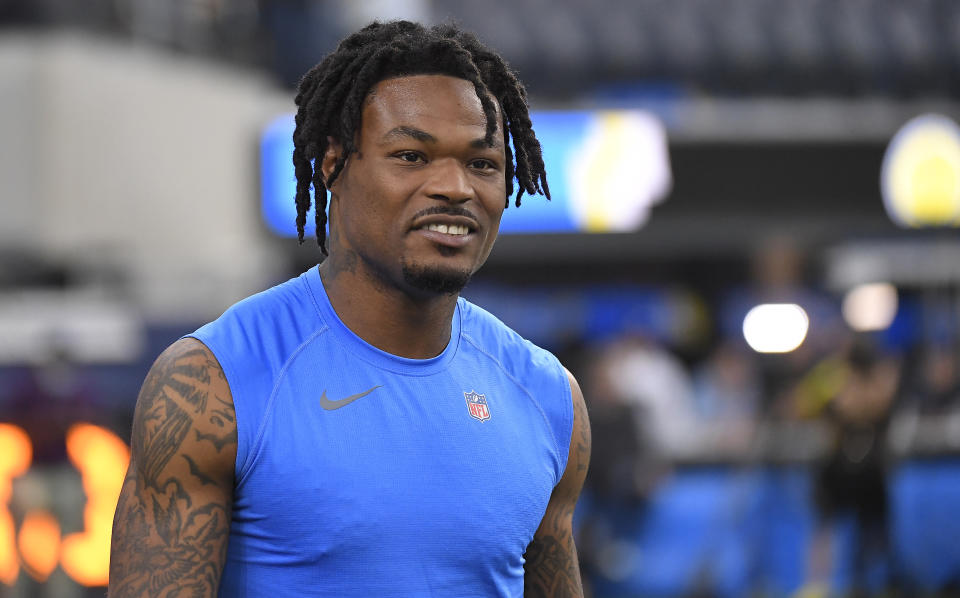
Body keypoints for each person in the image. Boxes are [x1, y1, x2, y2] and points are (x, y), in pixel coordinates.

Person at [107, 20, 591, 598]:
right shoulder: (211, 383)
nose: (456, 187)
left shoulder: (549, 396)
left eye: (482, 164)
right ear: (332, 165)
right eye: (412, 156)